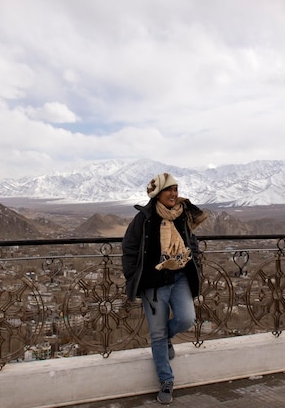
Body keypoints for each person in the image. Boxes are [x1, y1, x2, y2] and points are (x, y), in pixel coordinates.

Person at [122, 172, 207, 404]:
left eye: (176, 189)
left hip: (179, 278)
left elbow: (192, 242)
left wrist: (194, 259)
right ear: (157, 193)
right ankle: (166, 380)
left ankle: (167, 339)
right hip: (154, 284)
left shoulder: (182, 216)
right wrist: (133, 277)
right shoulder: (145, 218)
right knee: (157, 334)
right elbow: (129, 247)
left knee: (187, 318)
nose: (174, 194)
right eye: (169, 189)